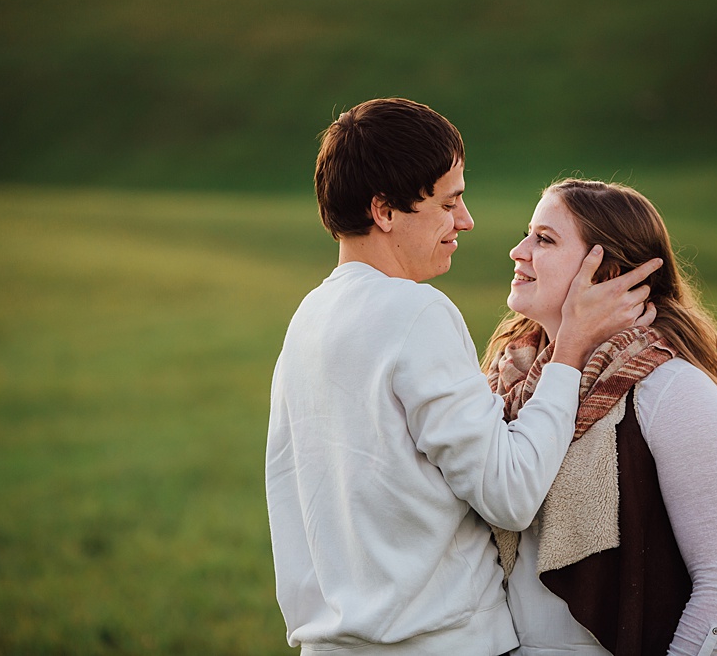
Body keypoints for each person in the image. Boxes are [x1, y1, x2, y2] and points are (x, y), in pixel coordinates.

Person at [265, 99, 663, 655]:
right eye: (448, 202)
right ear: (384, 210)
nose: (466, 220)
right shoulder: (415, 311)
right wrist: (570, 347)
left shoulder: (308, 318)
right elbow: (511, 494)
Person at [482, 178, 717, 655]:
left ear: (605, 272)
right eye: (529, 233)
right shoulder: (505, 381)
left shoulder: (673, 392)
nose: (517, 250)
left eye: (544, 239)